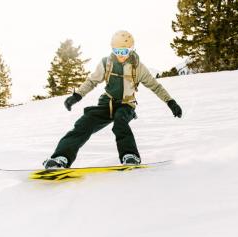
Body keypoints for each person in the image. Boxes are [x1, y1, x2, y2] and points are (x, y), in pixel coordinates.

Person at [43, 30, 182, 169]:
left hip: (126, 104)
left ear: (131, 49)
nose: (121, 56)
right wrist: (76, 96)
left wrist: (170, 102)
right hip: (107, 103)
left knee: (120, 122)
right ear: (112, 49)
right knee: (84, 123)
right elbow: (92, 81)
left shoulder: (138, 67)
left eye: (125, 52)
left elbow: (155, 86)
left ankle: (130, 156)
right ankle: (61, 158)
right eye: (118, 51)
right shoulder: (106, 63)